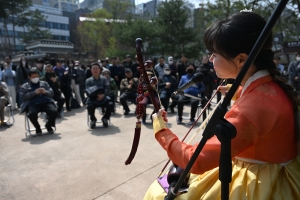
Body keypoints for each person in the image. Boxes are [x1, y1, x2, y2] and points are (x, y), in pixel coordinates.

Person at [144, 11, 300, 200]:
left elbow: (196, 160)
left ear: (242, 59)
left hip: (261, 183)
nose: (210, 60)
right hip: (270, 169)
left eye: (214, 54)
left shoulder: (254, 106)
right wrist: (237, 91)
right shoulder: (268, 87)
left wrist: (161, 130)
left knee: (158, 194)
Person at [20, 69, 57, 135]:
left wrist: (45, 92)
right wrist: (34, 93)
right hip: (33, 104)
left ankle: (48, 125)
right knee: (32, 114)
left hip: (46, 102)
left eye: (37, 76)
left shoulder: (44, 83)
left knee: (54, 111)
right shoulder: (25, 86)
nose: (35, 78)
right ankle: (37, 127)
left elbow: (52, 94)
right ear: (29, 77)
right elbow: (23, 97)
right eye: (33, 77)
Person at [85, 62, 113, 128]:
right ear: (91, 70)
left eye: (96, 68)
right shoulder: (88, 80)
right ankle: (93, 119)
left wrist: (103, 95)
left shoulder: (104, 79)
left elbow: (107, 88)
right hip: (93, 98)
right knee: (90, 106)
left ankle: (105, 118)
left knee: (111, 104)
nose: (95, 70)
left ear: (100, 70)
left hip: (104, 97)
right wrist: (97, 96)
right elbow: (88, 91)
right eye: (93, 69)